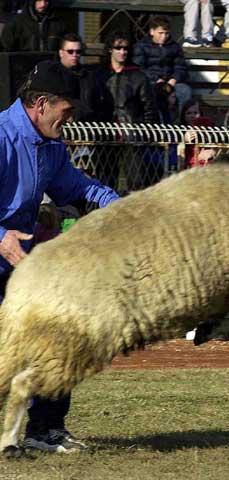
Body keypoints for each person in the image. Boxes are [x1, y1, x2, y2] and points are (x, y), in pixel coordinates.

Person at [0, 62, 119, 453]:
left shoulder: (50, 146)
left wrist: (123, 210)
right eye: (66, 112)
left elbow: (77, 186)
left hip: (21, 264)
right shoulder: (1, 137)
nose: (69, 120)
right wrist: (2, 237)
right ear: (40, 104)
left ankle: (45, 429)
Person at [94, 31, 158, 190]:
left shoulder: (138, 76)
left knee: (135, 184)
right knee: (105, 182)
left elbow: (149, 108)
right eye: (118, 48)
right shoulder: (99, 75)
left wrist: (145, 132)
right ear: (110, 49)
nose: (122, 52)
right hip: (105, 135)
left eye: (125, 48)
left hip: (132, 135)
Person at [35, 33, 107, 123]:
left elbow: (101, 105)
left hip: (86, 129)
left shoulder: (90, 77)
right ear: (61, 53)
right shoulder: (51, 76)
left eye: (78, 51)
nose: (75, 55)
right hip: (57, 128)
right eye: (70, 51)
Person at [132, 15, 191, 110]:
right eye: (160, 33)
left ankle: (180, 121)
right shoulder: (141, 46)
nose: (164, 36)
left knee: (184, 90)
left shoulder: (174, 47)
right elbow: (140, 68)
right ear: (152, 31)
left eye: (166, 33)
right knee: (152, 92)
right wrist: (156, 80)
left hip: (171, 82)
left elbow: (180, 67)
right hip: (150, 82)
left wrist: (173, 80)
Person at [0, 0, 66, 52]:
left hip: (50, 66)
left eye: (46, 1)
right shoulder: (16, 23)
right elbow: (6, 50)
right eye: (39, 0)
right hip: (23, 66)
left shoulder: (58, 23)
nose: (43, 4)